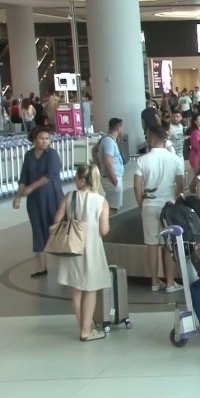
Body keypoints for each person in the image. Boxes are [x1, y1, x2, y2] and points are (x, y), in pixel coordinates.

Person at [54, 164, 111, 341]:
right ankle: (86, 331)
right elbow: (104, 230)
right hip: (92, 248)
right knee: (90, 289)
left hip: (72, 247)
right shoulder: (101, 201)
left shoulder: (69, 197)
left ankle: (83, 327)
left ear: (80, 179)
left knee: (76, 290)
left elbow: (57, 221)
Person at [134, 125, 185, 293]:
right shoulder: (176, 160)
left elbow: (137, 186)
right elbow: (180, 186)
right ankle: (170, 283)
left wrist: (141, 203)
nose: (147, 139)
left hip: (149, 205)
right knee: (169, 244)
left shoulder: (142, 160)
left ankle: (155, 282)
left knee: (152, 244)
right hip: (168, 206)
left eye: (148, 136)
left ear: (153, 138)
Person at [13, 126, 64, 277]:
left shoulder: (52, 155)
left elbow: (50, 175)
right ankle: (42, 268)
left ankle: (64, 267)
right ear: (34, 140)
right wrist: (18, 197)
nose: (45, 141)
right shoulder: (29, 155)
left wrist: (30, 188)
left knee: (55, 230)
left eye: (47, 138)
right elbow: (24, 177)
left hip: (51, 197)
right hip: (35, 201)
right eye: (41, 138)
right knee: (38, 231)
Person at [98, 118, 126, 214]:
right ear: (118, 128)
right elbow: (108, 162)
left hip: (111, 177)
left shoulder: (107, 140)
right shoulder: (109, 141)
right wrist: (115, 181)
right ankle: (106, 226)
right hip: (112, 179)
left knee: (113, 206)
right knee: (112, 208)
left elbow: (94, 151)